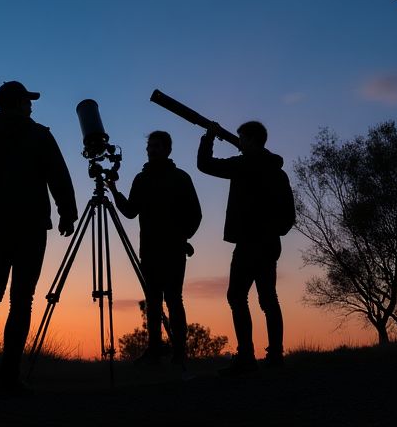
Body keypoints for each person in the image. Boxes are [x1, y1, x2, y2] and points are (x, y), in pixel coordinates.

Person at [0, 80, 78, 395]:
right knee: (21, 299)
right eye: (27, 100)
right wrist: (67, 212)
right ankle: (8, 376)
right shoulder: (39, 136)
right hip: (30, 228)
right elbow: (59, 176)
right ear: (17, 103)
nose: (31, 105)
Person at [197, 120, 288, 374]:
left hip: (249, 243)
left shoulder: (243, 165)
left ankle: (247, 357)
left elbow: (205, 165)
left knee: (237, 297)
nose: (239, 143)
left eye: (242, 139)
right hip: (269, 243)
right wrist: (275, 231)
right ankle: (275, 356)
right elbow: (288, 213)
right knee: (268, 299)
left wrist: (209, 137)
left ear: (251, 140)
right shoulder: (277, 172)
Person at [109, 130, 201, 368]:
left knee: (173, 300)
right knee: (152, 303)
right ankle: (154, 351)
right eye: (150, 147)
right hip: (149, 250)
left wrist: (182, 238)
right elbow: (131, 211)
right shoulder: (142, 179)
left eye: (157, 146)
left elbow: (195, 214)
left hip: (173, 250)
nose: (152, 150)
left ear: (167, 149)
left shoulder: (180, 178)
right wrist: (114, 191)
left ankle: (179, 353)